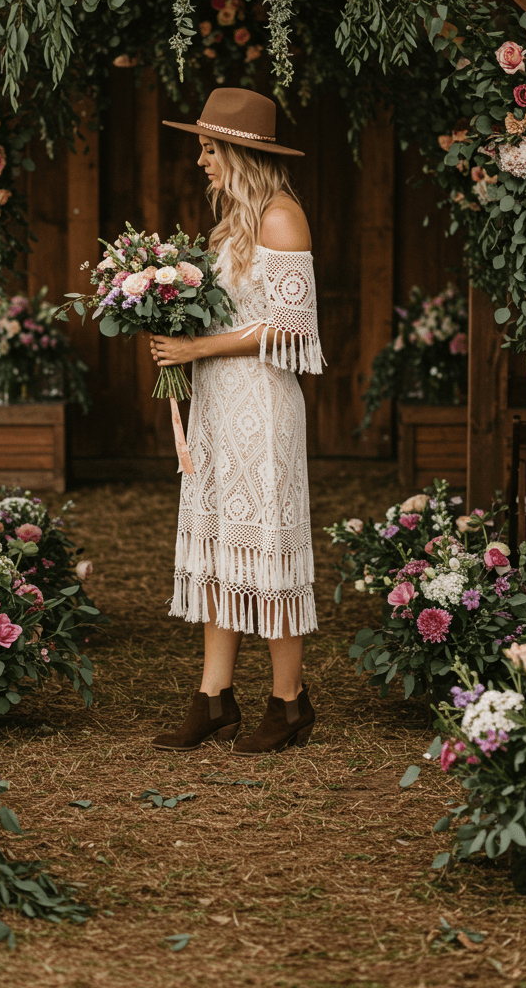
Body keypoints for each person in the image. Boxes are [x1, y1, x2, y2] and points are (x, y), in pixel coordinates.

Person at [149, 88, 324, 756]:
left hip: (263, 406)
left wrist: (196, 348)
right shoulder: (229, 226)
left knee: (268, 543)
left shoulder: (282, 219)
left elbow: (291, 327)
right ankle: (214, 696)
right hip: (217, 405)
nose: (201, 160)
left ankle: (289, 701)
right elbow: (224, 314)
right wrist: (170, 324)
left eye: (208, 147)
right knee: (222, 542)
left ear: (239, 153)